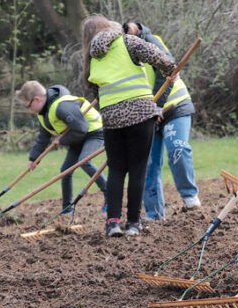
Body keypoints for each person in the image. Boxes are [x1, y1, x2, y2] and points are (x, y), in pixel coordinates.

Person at [82, 15, 175, 238]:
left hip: (111, 119)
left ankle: (112, 222)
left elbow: (94, 90)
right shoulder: (128, 41)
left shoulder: (92, 57)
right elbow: (158, 56)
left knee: (115, 170)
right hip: (140, 114)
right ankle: (133, 222)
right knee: (137, 169)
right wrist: (170, 70)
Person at [122, 21, 200, 220]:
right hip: (147, 114)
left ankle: (190, 196)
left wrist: (158, 105)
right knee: (147, 164)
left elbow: (168, 71)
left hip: (174, 105)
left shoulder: (150, 41)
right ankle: (154, 214)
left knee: (177, 148)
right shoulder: (120, 56)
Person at [15, 80, 108, 215]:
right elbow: (43, 137)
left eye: (28, 106)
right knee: (65, 171)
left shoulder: (62, 107)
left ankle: (109, 195)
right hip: (77, 137)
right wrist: (34, 158)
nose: (29, 110)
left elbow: (82, 128)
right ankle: (67, 208)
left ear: (37, 99)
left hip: (94, 133)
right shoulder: (43, 113)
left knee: (85, 161)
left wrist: (62, 140)